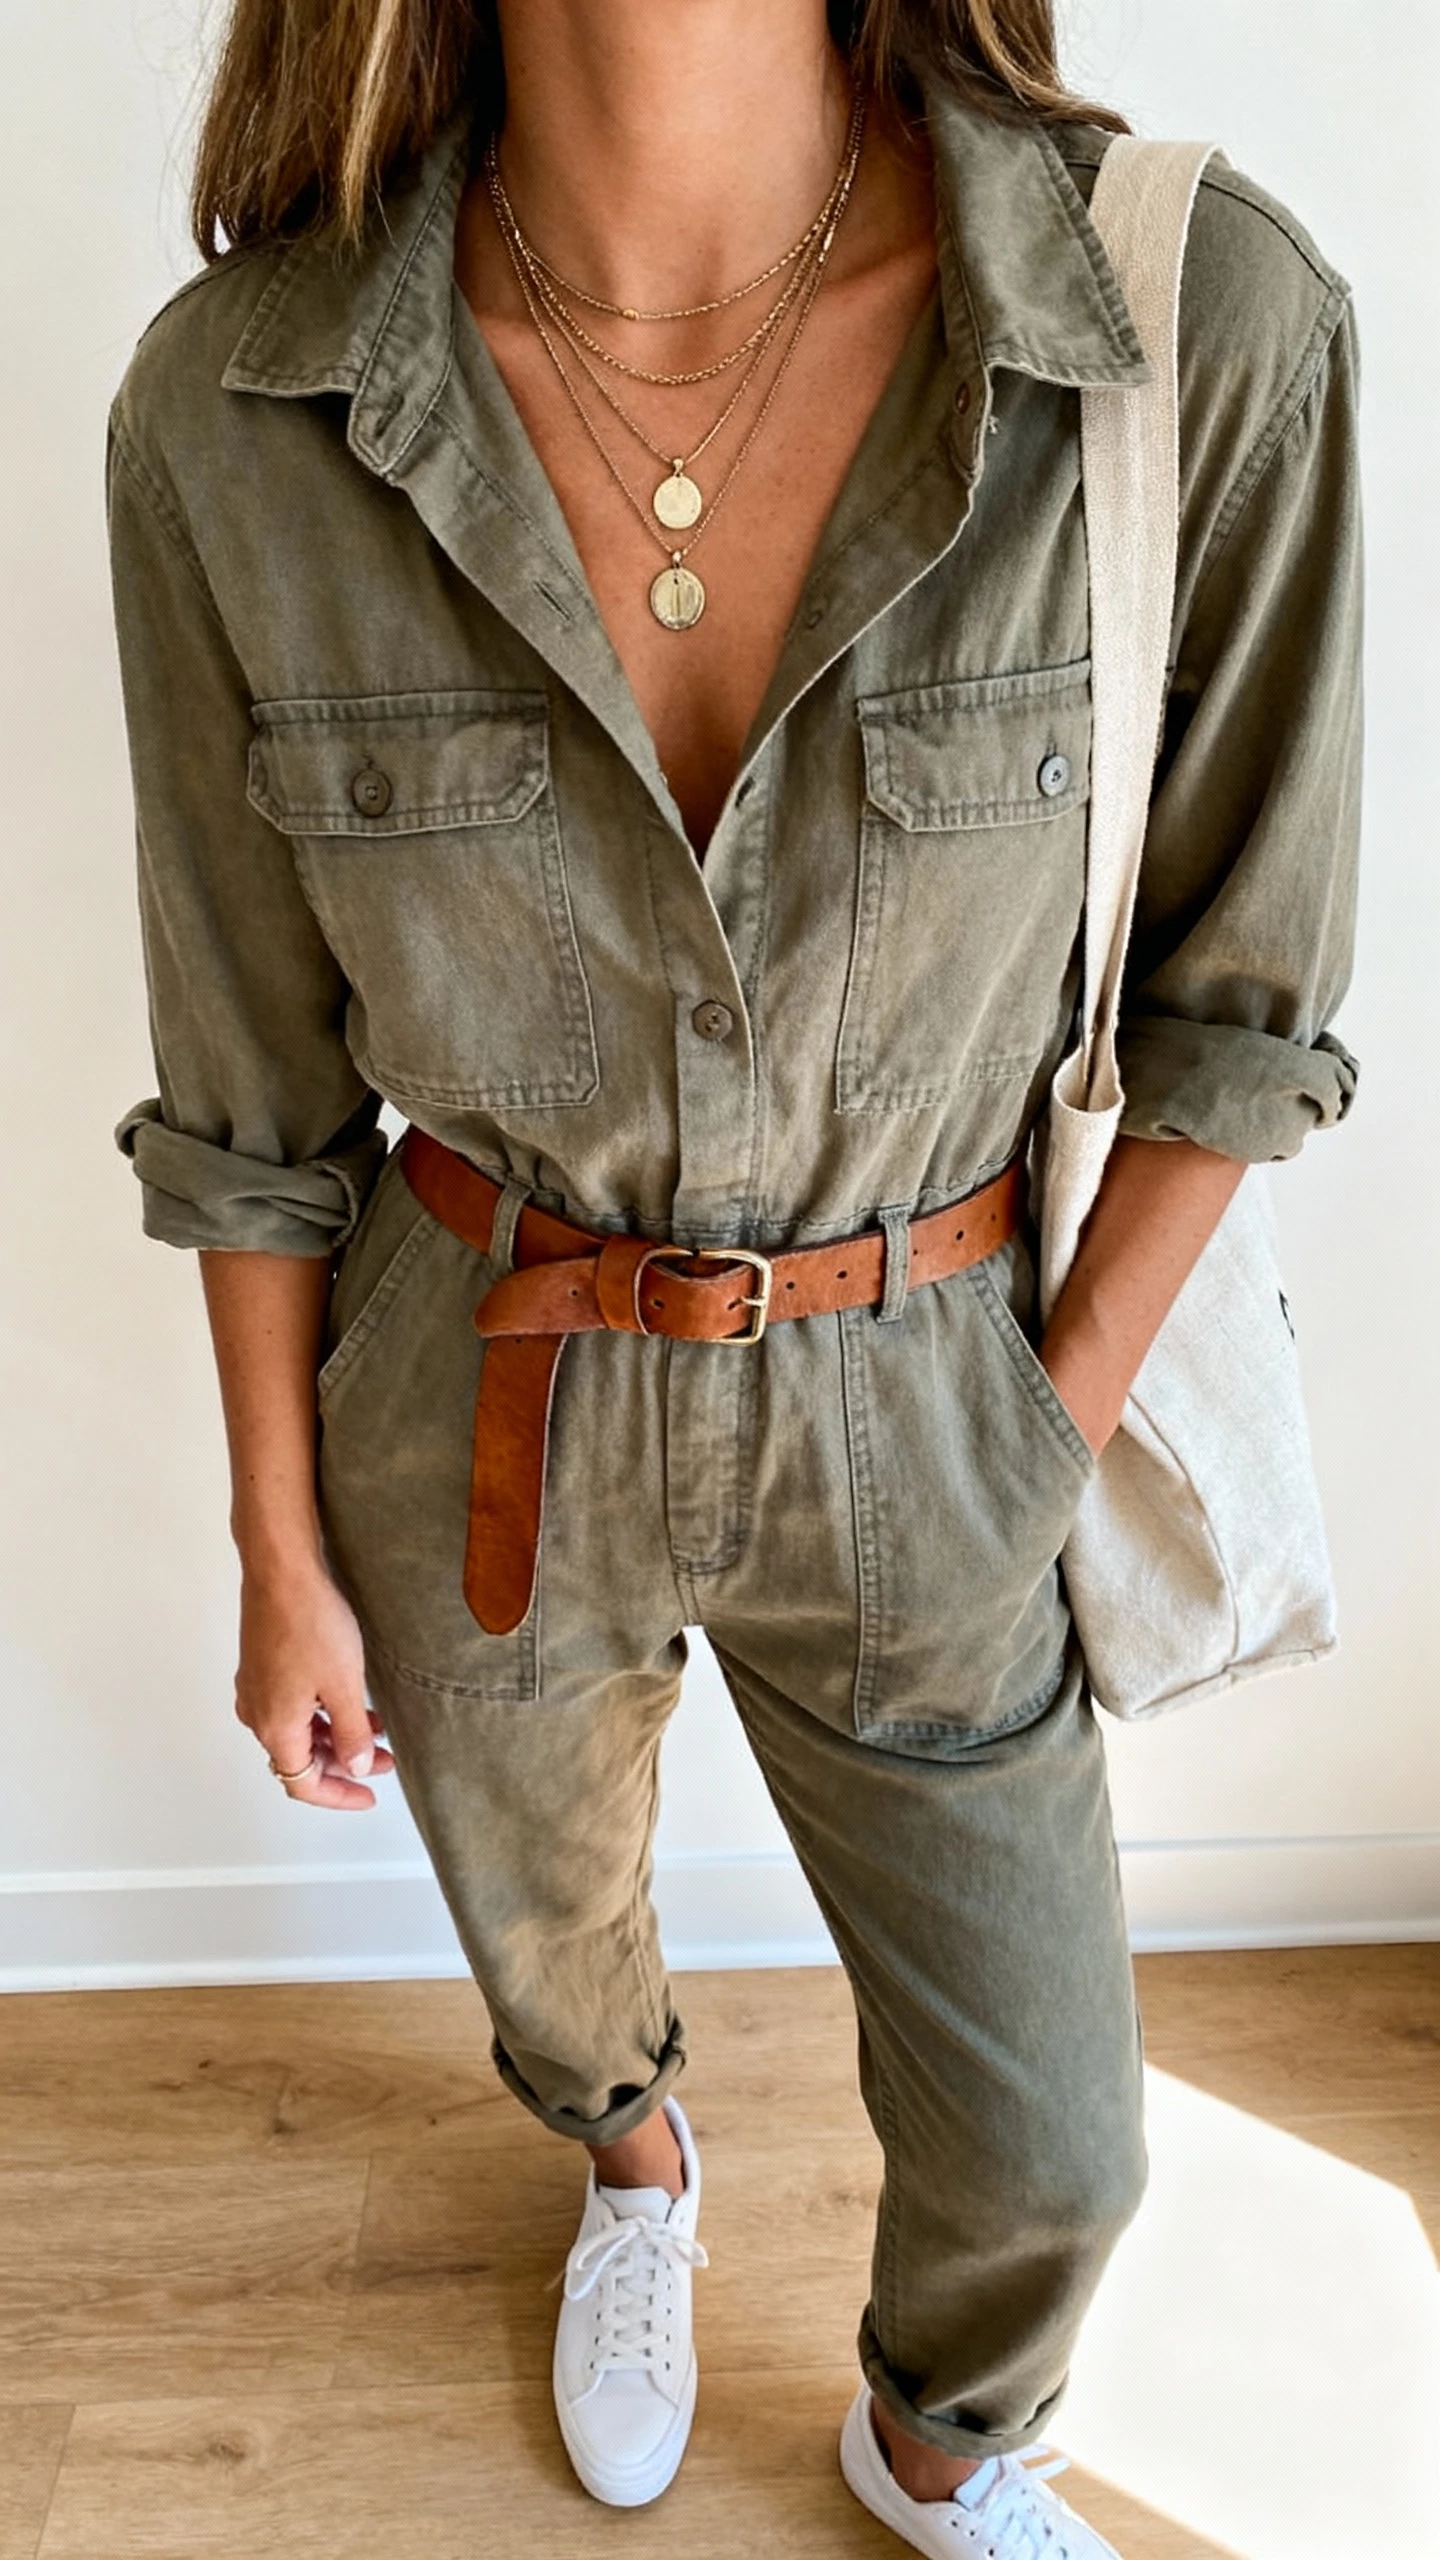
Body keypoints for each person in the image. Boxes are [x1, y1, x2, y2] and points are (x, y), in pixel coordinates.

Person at [106, 2, 1361, 2552]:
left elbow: (1248, 998)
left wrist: (1043, 1423)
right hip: (476, 1384)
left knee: (1060, 2143)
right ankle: (637, 2161)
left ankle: (933, 2433)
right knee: (547, 1941)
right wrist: (274, 1538)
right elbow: (248, 1088)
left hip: (933, 1382)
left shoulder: (1187, 319)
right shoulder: (234, 407)